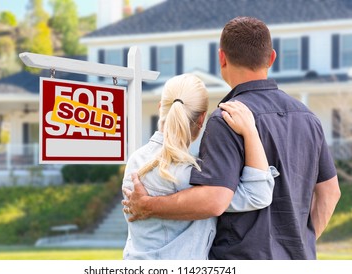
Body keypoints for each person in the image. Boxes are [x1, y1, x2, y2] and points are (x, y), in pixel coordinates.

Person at [123, 16, 341, 259]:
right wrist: (300, 245)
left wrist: (148, 205)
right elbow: (330, 193)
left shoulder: (226, 118)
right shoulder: (308, 118)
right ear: (271, 58)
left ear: (222, 58)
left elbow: (214, 199)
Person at [122, 73, 278, 260]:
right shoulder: (191, 174)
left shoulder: (136, 160)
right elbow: (258, 193)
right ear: (202, 119)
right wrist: (250, 132)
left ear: (160, 108)